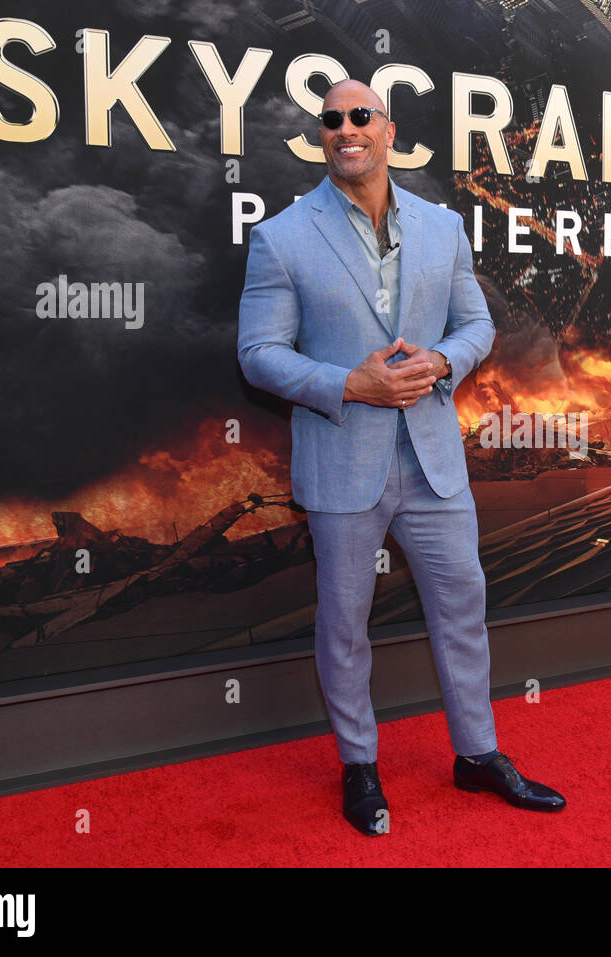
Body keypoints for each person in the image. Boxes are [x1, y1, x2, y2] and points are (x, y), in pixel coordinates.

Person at [237, 79, 565, 836]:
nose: (345, 128)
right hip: (341, 463)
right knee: (345, 623)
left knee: (463, 608)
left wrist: (443, 363)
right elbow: (257, 355)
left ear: (388, 131)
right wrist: (349, 381)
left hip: (433, 462)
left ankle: (478, 754)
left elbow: (475, 323)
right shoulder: (282, 237)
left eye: (360, 116)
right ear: (322, 136)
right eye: (331, 120)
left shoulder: (442, 226)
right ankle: (359, 765)